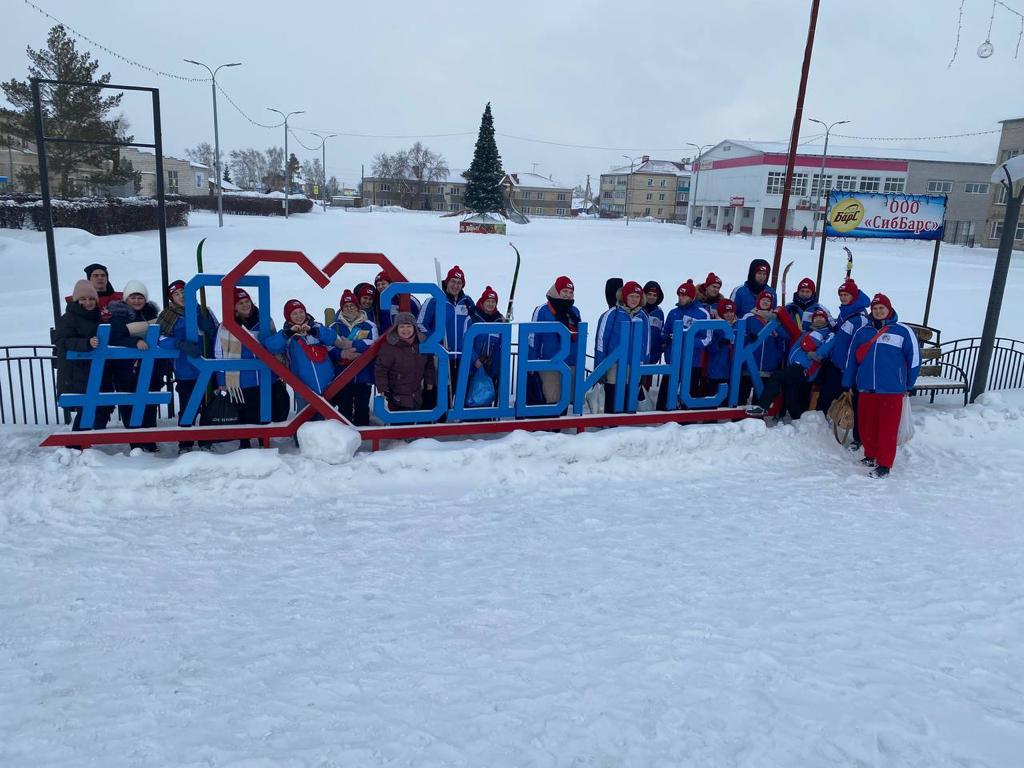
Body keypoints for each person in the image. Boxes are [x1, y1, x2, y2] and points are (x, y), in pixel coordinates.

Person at [842, 294, 920, 478]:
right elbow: (851, 359)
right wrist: (847, 382)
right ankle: (871, 455)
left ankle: (884, 464)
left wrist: (909, 384)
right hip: (866, 387)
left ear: (889, 309)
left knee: (887, 428)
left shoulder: (902, 331)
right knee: (867, 425)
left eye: (881, 308)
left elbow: (914, 359)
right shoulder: (862, 332)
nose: (878, 312)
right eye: (875, 309)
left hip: (891, 389)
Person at [214, 288, 283, 449]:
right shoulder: (225, 327)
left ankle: (263, 440)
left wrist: (279, 370)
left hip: (266, 375)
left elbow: (276, 346)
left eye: (247, 301)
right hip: (241, 378)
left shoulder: (265, 320)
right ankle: (244, 443)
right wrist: (221, 380)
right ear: (234, 307)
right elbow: (219, 353)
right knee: (243, 411)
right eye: (240, 303)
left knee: (265, 409)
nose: (245, 305)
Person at [157, 280, 219, 453]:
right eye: (176, 294)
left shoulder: (204, 310)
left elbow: (217, 335)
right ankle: (185, 443)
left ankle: (206, 441)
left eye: (183, 292)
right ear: (172, 299)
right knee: (188, 406)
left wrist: (210, 330)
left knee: (208, 406)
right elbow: (159, 339)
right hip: (185, 369)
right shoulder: (168, 315)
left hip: (206, 366)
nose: (181, 296)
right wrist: (179, 344)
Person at [747, 308, 835, 421]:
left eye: (821, 317)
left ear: (826, 320)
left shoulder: (828, 334)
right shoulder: (805, 333)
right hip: (794, 366)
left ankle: (762, 406)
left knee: (777, 376)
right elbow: (788, 334)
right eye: (816, 317)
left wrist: (817, 354)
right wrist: (775, 323)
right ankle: (800, 421)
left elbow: (829, 345)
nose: (818, 319)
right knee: (790, 397)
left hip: (804, 367)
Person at [54, 279, 117, 435]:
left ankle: (93, 438)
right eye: (83, 299)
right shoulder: (68, 318)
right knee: (86, 407)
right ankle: (77, 442)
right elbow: (62, 341)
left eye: (91, 299)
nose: (88, 302)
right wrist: (86, 343)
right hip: (78, 371)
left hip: (98, 368)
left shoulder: (97, 316)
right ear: (76, 300)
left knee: (102, 406)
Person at [106, 280, 160, 451]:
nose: (137, 301)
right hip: (126, 369)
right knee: (129, 403)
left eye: (140, 297)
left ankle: (150, 441)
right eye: (133, 297)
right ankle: (135, 442)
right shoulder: (118, 316)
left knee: (149, 403)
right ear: (126, 299)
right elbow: (114, 338)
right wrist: (135, 341)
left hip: (150, 367)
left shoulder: (152, 314)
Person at [417, 265, 474, 410]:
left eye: (459, 283)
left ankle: (449, 416)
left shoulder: (467, 302)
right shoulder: (434, 301)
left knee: (455, 389)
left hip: (460, 355)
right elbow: (420, 325)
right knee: (436, 389)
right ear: (447, 282)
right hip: (440, 354)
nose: (456, 286)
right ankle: (431, 418)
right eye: (453, 281)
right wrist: (435, 341)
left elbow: (478, 320)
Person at [265, 299, 340, 408]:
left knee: (330, 417)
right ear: (288, 316)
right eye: (294, 313)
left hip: (328, 385)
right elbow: (271, 346)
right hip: (303, 389)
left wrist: (312, 331)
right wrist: (289, 333)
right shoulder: (286, 335)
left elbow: (332, 337)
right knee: (306, 418)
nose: (299, 316)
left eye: (301, 312)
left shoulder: (316, 326)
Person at [818, 278, 871, 426]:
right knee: (826, 397)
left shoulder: (860, 318)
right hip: (836, 363)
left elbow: (860, 346)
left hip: (847, 368)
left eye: (846, 295)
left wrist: (851, 369)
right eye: (841, 295)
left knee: (845, 402)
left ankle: (845, 429)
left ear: (854, 296)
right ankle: (820, 426)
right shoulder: (845, 311)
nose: (842, 298)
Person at [595, 281, 649, 413]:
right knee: (613, 400)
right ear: (624, 296)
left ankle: (627, 423)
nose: (634, 299)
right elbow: (601, 342)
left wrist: (645, 367)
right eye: (631, 296)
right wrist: (600, 368)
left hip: (634, 365)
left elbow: (647, 344)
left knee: (629, 402)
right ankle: (611, 423)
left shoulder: (643, 316)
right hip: (614, 365)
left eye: (637, 296)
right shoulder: (612, 314)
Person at [529, 275, 581, 408]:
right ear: (557, 291)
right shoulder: (542, 310)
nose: (568, 295)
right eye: (565, 291)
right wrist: (532, 362)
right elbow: (533, 336)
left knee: (565, 401)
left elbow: (579, 337)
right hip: (548, 363)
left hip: (570, 363)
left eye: (570, 292)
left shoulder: (574, 312)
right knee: (551, 401)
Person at [329, 289, 378, 426]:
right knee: (344, 408)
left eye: (352, 305)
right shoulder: (334, 327)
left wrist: (353, 345)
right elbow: (329, 347)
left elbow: (374, 343)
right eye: (346, 306)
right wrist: (341, 354)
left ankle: (364, 435)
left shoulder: (369, 325)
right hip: (342, 375)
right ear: (342, 308)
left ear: (357, 307)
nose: (349, 308)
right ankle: (345, 435)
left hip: (363, 374)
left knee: (362, 407)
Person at [660, 280, 712, 409]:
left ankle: (688, 418)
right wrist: (667, 338)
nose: (681, 298)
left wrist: (685, 339)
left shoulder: (702, 313)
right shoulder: (673, 312)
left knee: (689, 398)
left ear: (692, 297)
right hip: (673, 360)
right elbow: (664, 333)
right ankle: (660, 415)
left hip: (692, 362)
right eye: (679, 295)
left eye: (684, 295)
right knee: (664, 397)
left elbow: (707, 338)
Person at [375, 311, 436, 411]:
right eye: (402, 327)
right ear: (396, 328)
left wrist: (430, 382)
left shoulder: (422, 344)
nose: (405, 330)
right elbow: (381, 369)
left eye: (409, 326)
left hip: (417, 394)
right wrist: (382, 388)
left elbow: (429, 365)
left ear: (414, 328)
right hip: (396, 397)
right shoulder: (389, 347)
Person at [739, 289, 786, 405]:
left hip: (767, 366)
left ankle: (758, 414)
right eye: (763, 300)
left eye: (768, 301)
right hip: (749, 364)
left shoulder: (775, 320)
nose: (765, 302)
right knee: (742, 396)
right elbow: (739, 334)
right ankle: (738, 415)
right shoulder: (749, 317)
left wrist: (777, 357)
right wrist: (748, 337)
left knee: (759, 398)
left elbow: (784, 337)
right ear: (758, 301)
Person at [466, 286, 506, 405]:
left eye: (493, 302)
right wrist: (475, 360)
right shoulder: (473, 318)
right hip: (473, 367)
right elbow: (467, 342)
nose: (490, 304)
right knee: (470, 397)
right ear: (482, 302)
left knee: (487, 399)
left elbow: (503, 344)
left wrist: (498, 366)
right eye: (488, 301)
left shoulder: (500, 321)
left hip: (491, 368)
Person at [706, 299, 738, 395]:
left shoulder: (738, 326)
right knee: (714, 397)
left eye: (731, 312)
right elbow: (709, 346)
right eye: (726, 312)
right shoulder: (715, 327)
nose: (729, 315)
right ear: (721, 313)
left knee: (730, 397)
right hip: (716, 370)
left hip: (732, 370)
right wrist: (719, 344)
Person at [641, 281, 665, 399]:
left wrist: (656, 354)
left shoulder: (659, 313)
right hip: (637, 357)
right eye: (649, 294)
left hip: (651, 358)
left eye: (655, 295)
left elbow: (660, 335)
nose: (651, 297)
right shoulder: (638, 310)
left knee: (645, 390)